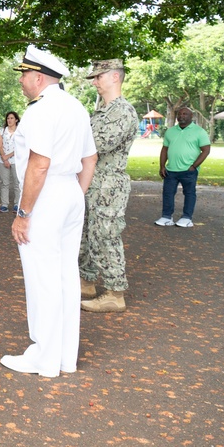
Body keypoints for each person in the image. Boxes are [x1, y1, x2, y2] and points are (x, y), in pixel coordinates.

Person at [2, 45, 97, 378]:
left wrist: (23, 213)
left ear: (38, 77)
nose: (22, 81)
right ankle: (64, 357)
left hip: (46, 194)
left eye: (24, 74)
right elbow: (90, 160)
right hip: (70, 190)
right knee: (65, 276)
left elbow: (39, 165)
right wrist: (73, 196)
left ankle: (44, 358)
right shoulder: (76, 107)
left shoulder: (41, 111)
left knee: (43, 278)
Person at [78, 59, 140, 312]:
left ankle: (115, 293)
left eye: (98, 77)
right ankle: (87, 282)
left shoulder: (122, 111)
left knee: (105, 235)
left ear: (115, 77)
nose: (94, 82)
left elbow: (98, 145)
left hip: (108, 185)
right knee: (87, 235)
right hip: (92, 181)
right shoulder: (102, 110)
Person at [155, 106, 211, 228]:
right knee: (168, 193)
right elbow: (165, 149)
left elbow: (206, 150)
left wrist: (194, 166)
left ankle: (186, 218)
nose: (181, 116)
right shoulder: (170, 131)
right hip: (170, 170)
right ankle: (166, 217)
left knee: (189, 193)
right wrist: (162, 166)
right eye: (179, 114)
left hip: (188, 170)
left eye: (185, 114)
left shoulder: (199, 132)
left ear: (192, 116)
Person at [0, 111, 21, 213]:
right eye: (8, 118)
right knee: (5, 183)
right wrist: (4, 158)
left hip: (17, 160)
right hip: (3, 161)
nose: (9, 120)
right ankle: (4, 204)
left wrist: (8, 156)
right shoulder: (2, 131)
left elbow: (21, 147)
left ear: (16, 120)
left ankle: (17, 204)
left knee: (17, 183)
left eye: (11, 118)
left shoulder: (21, 131)